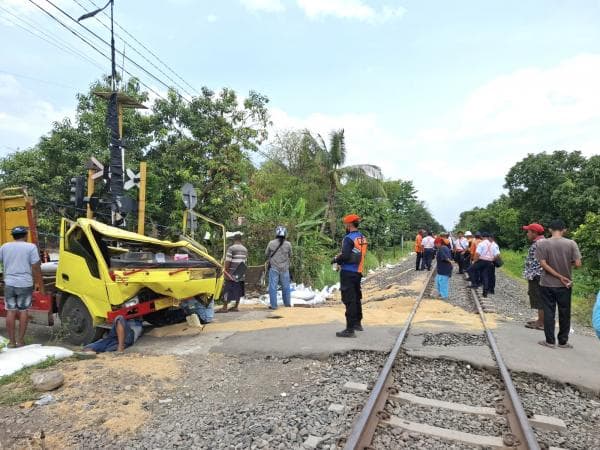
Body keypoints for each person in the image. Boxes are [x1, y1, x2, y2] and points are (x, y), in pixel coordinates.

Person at [535, 219, 582, 349]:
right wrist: (564, 270)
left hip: (547, 284)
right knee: (565, 312)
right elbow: (578, 264)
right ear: (564, 230)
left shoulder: (542, 243)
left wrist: (556, 275)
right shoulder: (571, 243)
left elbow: (543, 264)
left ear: (549, 230)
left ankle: (550, 341)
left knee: (549, 311)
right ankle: (563, 341)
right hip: (565, 285)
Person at [0, 226, 45, 348]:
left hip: (9, 283)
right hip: (25, 284)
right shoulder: (30, 247)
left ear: (13, 236)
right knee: (23, 311)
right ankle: (20, 341)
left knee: (10, 311)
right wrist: (41, 286)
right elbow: (36, 267)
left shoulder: (4, 247)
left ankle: (11, 342)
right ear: (25, 235)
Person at [332, 214, 368, 338]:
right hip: (358, 272)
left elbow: (346, 256)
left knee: (349, 300)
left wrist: (336, 259)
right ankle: (358, 323)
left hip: (348, 272)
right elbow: (356, 254)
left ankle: (349, 329)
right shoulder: (362, 237)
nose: (345, 227)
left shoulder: (348, 238)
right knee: (357, 297)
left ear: (349, 225)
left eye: (345, 225)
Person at [522, 223, 545, 330]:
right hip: (539, 274)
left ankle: (541, 322)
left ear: (534, 233)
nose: (527, 234)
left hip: (537, 275)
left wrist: (531, 274)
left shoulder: (538, 244)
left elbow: (539, 262)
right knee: (539, 298)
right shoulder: (542, 242)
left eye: (528, 231)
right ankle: (540, 320)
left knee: (539, 298)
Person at [217, 232, 248, 313]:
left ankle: (224, 307)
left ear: (234, 240)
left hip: (232, 272)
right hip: (241, 272)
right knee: (238, 289)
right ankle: (236, 307)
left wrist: (225, 271)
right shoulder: (245, 249)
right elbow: (245, 262)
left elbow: (228, 261)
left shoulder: (231, 248)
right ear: (241, 240)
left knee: (227, 289)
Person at [265, 226, 292, 309]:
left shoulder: (271, 243)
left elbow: (266, 254)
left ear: (276, 233)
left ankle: (273, 305)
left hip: (274, 268)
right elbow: (291, 255)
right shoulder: (288, 244)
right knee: (286, 286)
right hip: (284, 269)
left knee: (273, 287)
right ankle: (287, 304)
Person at [470, 232, 499, 298]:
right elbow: (497, 255)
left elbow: (477, 253)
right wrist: (492, 259)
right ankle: (489, 290)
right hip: (491, 262)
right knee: (489, 276)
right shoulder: (494, 244)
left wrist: (474, 261)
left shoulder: (483, 244)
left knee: (485, 275)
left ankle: (476, 284)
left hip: (483, 261)